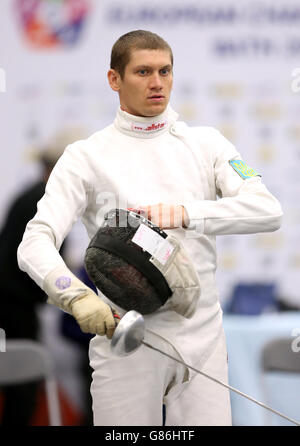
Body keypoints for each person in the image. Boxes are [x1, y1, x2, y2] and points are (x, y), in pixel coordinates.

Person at [17, 30, 283, 426]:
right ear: (114, 79)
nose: (157, 83)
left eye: (165, 71)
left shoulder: (207, 144)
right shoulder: (85, 157)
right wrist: (73, 295)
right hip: (125, 337)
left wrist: (184, 213)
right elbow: (34, 242)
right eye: (143, 71)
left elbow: (268, 210)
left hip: (202, 337)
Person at [0, 127, 82, 425]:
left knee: (20, 386)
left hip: (14, 303)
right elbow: (33, 262)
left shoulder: (33, 197)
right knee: (22, 386)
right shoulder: (41, 201)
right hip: (13, 306)